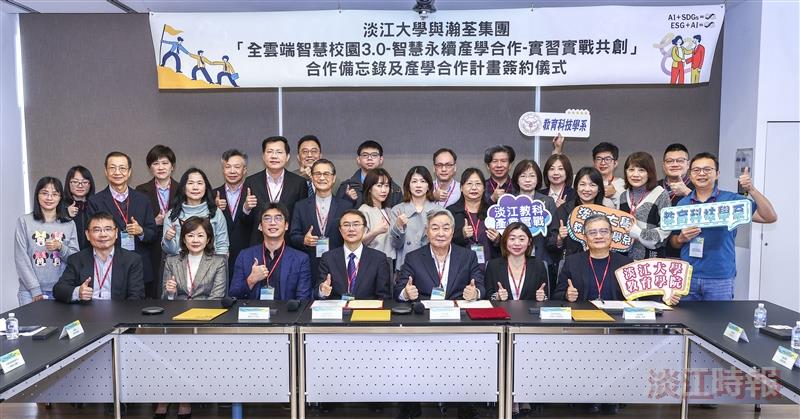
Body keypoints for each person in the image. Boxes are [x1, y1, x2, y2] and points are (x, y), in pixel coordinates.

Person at [670, 152, 777, 301]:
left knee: (717, 323)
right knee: (687, 323)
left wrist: (751, 189)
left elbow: (769, 217)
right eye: (696, 170)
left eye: (707, 169)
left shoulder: (731, 201)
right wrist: (681, 238)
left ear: (717, 173)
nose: (701, 173)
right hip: (687, 277)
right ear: (691, 175)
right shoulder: (683, 204)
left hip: (719, 277)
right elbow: (673, 241)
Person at [87, 152, 156, 295]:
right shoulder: (95, 201)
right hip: (108, 267)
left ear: (129, 172)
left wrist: (141, 231)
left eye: (122, 168)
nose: (117, 172)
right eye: (112, 168)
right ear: (106, 171)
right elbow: (91, 237)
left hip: (139, 267)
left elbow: (153, 234)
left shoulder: (143, 199)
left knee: (138, 313)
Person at [53, 212, 145, 302]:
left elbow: (136, 297)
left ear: (116, 233)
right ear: (88, 235)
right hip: (86, 314)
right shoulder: (77, 259)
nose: (103, 235)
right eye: (97, 230)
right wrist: (78, 292)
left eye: (108, 229)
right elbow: (58, 290)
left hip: (119, 314)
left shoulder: (132, 260)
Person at [15, 177, 80, 304]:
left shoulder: (69, 224)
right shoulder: (24, 221)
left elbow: (75, 259)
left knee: (59, 324)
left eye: (55, 194)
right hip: (30, 291)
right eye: (45, 193)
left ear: (60, 197)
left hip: (61, 290)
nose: (49, 198)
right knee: (32, 324)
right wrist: (35, 289)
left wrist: (61, 247)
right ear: (37, 195)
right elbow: (21, 259)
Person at [395, 209, 484, 301]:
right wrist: (405, 293)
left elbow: (480, 286)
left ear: (452, 231)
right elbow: (398, 289)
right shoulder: (413, 258)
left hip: (458, 311)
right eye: (435, 228)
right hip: (426, 312)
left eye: (446, 228)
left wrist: (475, 293)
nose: (441, 234)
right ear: (427, 231)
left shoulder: (468, 256)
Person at [229, 203, 312, 300]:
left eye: (278, 218)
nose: (272, 223)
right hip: (254, 313)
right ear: (260, 226)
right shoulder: (245, 256)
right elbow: (233, 296)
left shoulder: (301, 259)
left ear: (286, 226)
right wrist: (251, 280)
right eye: (267, 219)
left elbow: (304, 299)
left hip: (287, 313)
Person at [289, 159, 352, 282]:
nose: (322, 178)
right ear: (312, 177)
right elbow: (293, 235)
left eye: (326, 174)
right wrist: (304, 240)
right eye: (317, 174)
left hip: (338, 264)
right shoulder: (300, 206)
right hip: (310, 263)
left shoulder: (346, 206)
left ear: (333, 178)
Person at [244, 136, 308, 243]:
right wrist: (246, 208)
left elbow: (301, 218)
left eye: (279, 152)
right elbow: (244, 223)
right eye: (270, 152)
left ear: (287, 157)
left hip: (289, 245)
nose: (274, 156)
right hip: (259, 244)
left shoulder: (299, 183)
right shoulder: (251, 182)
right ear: (263, 157)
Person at [317, 209, 391, 300]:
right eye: (346, 225)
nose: (351, 229)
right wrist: (322, 290)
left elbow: (383, 295)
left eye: (356, 224)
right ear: (340, 230)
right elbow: (317, 290)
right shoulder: (328, 258)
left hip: (366, 311)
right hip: (338, 311)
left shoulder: (378, 258)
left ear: (364, 229)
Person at [135, 145, 178, 299]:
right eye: (155, 163)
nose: (160, 167)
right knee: (153, 288)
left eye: (165, 163)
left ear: (172, 166)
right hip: (150, 246)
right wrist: (154, 222)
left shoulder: (182, 189)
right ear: (150, 168)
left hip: (176, 244)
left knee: (175, 285)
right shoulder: (140, 190)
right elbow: (137, 223)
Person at [162, 168, 229, 259]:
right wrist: (168, 239)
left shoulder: (215, 213)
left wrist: (219, 267)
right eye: (190, 183)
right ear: (183, 187)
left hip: (210, 267)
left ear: (206, 187)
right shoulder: (172, 215)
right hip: (180, 266)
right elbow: (170, 251)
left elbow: (222, 246)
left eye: (199, 183)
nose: (195, 187)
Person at [618, 152, 672, 260]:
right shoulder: (624, 195)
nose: (635, 174)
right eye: (631, 169)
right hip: (625, 259)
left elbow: (665, 231)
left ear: (650, 173)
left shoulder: (661, 194)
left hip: (651, 260)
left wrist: (638, 233)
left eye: (641, 170)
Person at [213, 149, 256, 279]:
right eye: (228, 167)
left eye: (237, 167)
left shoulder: (254, 194)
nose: (232, 171)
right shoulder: (213, 194)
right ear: (223, 170)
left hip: (248, 255)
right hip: (220, 257)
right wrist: (214, 211)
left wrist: (247, 209)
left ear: (245, 170)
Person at [162, 217, 227, 300]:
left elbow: (217, 297)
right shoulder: (171, 262)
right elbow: (164, 297)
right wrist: (171, 294)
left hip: (206, 310)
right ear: (184, 239)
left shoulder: (218, 262)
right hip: (178, 309)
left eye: (200, 236)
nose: (195, 240)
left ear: (207, 240)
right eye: (190, 235)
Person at [390, 166, 443, 268]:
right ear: (408, 185)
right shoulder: (397, 210)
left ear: (428, 186)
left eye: (423, 181)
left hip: (432, 265)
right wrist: (399, 226)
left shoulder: (439, 211)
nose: (418, 185)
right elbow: (395, 245)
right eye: (414, 181)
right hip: (405, 266)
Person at [555, 167, 613, 259]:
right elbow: (550, 244)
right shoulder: (564, 210)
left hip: (601, 261)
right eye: (582, 184)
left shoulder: (606, 213)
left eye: (592, 185)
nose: (587, 189)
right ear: (576, 187)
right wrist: (559, 239)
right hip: (572, 263)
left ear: (599, 189)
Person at [448, 168, 500, 270]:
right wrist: (461, 235)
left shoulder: (494, 211)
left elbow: (508, 240)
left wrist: (498, 239)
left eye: (478, 184)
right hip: (460, 267)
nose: (474, 188)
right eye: (469, 183)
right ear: (461, 188)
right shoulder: (451, 212)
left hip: (490, 267)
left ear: (484, 188)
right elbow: (443, 240)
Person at [485, 222, 549, 301]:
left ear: (529, 242)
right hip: (503, 312)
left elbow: (546, 296)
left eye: (522, 239)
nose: (517, 243)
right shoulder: (493, 266)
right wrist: (497, 296)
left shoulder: (539, 266)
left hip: (529, 312)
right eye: (512, 239)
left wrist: (542, 297)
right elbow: (487, 296)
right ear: (505, 241)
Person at [512, 160, 559, 265]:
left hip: (541, 258)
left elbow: (553, 232)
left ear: (538, 179)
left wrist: (557, 240)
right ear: (516, 179)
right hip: (514, 260)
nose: (527, 180)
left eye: (532, 176)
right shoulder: (509, 202)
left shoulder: (547, 202)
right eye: (523, 176)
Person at [336, 140, 403, 208]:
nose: (369, 158)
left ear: (381, 159)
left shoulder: (394, 190)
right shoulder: (347, 187)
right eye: (365, 155)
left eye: (374, 155)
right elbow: (339, 214)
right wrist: (348, 200)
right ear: (358, 159)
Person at [358, 168, 396, 262]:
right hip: (373, 261)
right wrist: (375, 232)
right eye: (379, 186)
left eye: (387, 186)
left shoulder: (389, 210)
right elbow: (358, 241)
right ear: (369, 188)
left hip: (391, 260)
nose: (384, 190)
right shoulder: (364, 210)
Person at [64, 165, 95, 250]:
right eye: (75, 182)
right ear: (68, 183)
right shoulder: (60, 206)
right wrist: (65, 214)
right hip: (68, 255)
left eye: (84, 182)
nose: (80, 186)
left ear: (90, 184)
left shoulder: (96, 205)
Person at [592, 142, 626, 208]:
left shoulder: (623, 184)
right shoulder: (587, 182)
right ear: (594, 162)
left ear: (615, 163)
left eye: (607, 159)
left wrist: (615, 195)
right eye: (599, 159)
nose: (603, 163)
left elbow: (627, 210)